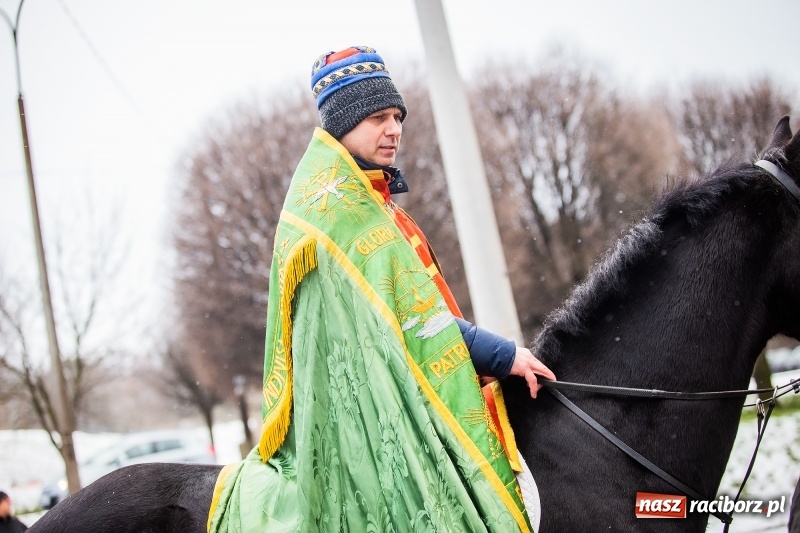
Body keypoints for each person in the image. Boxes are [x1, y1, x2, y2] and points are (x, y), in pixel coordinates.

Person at [208, 45, 555, 533]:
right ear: (342, 123)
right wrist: (502, 355)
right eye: (377, 118)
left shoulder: (374, 200)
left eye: (397, 116)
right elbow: (412, 322)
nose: (394, 129)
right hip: (359, 422)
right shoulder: (338, 214)